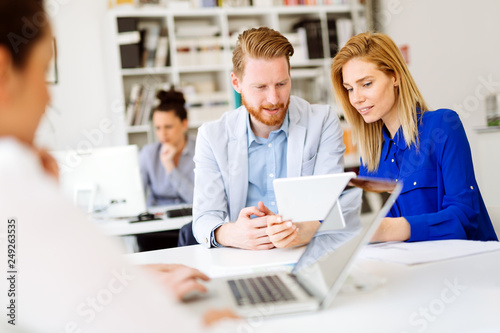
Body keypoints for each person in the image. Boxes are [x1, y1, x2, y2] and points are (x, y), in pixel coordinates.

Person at [0, 1, 237, 331]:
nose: (48, 99)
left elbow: (22, 294)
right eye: (43, 72)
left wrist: (126, 279)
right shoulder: (12, 179)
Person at [331, 31, 498, 242]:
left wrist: (388, 229)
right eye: (349, 89)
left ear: (395, 77)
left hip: (464, 265)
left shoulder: (443, 126)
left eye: (366, 84)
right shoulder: (371, 158)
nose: (356, 99)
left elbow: (464, 218)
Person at [192, 27, 346, 250]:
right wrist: (231, 233)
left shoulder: (322, 122)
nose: (274, 99)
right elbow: (204, 218)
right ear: (237, 83)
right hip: (243, 256)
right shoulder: (212, 136)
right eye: (261, 87)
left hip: (304, 252)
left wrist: (303, 230)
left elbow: (332, 208)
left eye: (282, 84)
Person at [139, 86, 195, 207]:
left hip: (194, 219)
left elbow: (197, 199)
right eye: (158, 128)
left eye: (168, 127)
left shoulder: (201, 150)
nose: (162, 134)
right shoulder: (148, 154)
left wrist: (169, 166)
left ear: (184, 124)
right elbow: (137, 197)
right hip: (159, 221)